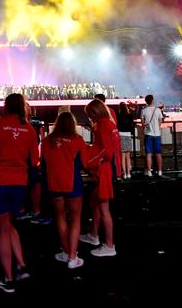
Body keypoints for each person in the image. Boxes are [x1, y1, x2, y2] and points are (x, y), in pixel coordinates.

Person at [0, 94, 39, 293]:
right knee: (8, 223)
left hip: (0, 181)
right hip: (20, 183)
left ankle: (9, 278)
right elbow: (34, 161)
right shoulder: (30, 129)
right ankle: (21, 265)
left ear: (6, 106)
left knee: (3, 228)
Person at [41, 111, 88, 269]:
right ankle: (73, 258)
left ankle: (67, 253)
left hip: (54, 184)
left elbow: (43, 163)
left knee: (60, 218)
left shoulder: (48, 140)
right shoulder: (77, 140)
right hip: (73, 184)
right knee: (75, 218)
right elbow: (85, 162)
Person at [79, 99, 119, 257]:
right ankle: (93, 235)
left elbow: (106, 152)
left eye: (90, 114)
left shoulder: (102, 125)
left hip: (103, 171)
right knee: (95, 203)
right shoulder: (110, 123)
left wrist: (90, 160)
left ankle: (109, 245)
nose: (89, 117)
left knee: (103, 209)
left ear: (95, 112)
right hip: (106, 170)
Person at [141, 94, 163, 177]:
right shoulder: (158, 110)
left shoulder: (144, 110)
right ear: (152, 100)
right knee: (158, 153)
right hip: (157, 134)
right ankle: (160, 171)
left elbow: (142, 123)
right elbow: (160, 121)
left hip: (148, 134)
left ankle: (149, 171)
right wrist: (157, 127)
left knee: (149, 154)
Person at [116, 102, 134, 179]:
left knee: (122, 156)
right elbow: (132, 125)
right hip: (128, 134)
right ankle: (129, 173)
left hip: (121, 135)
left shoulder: (118, 115)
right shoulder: (130, 115)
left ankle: (124, 174)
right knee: (128, 156)